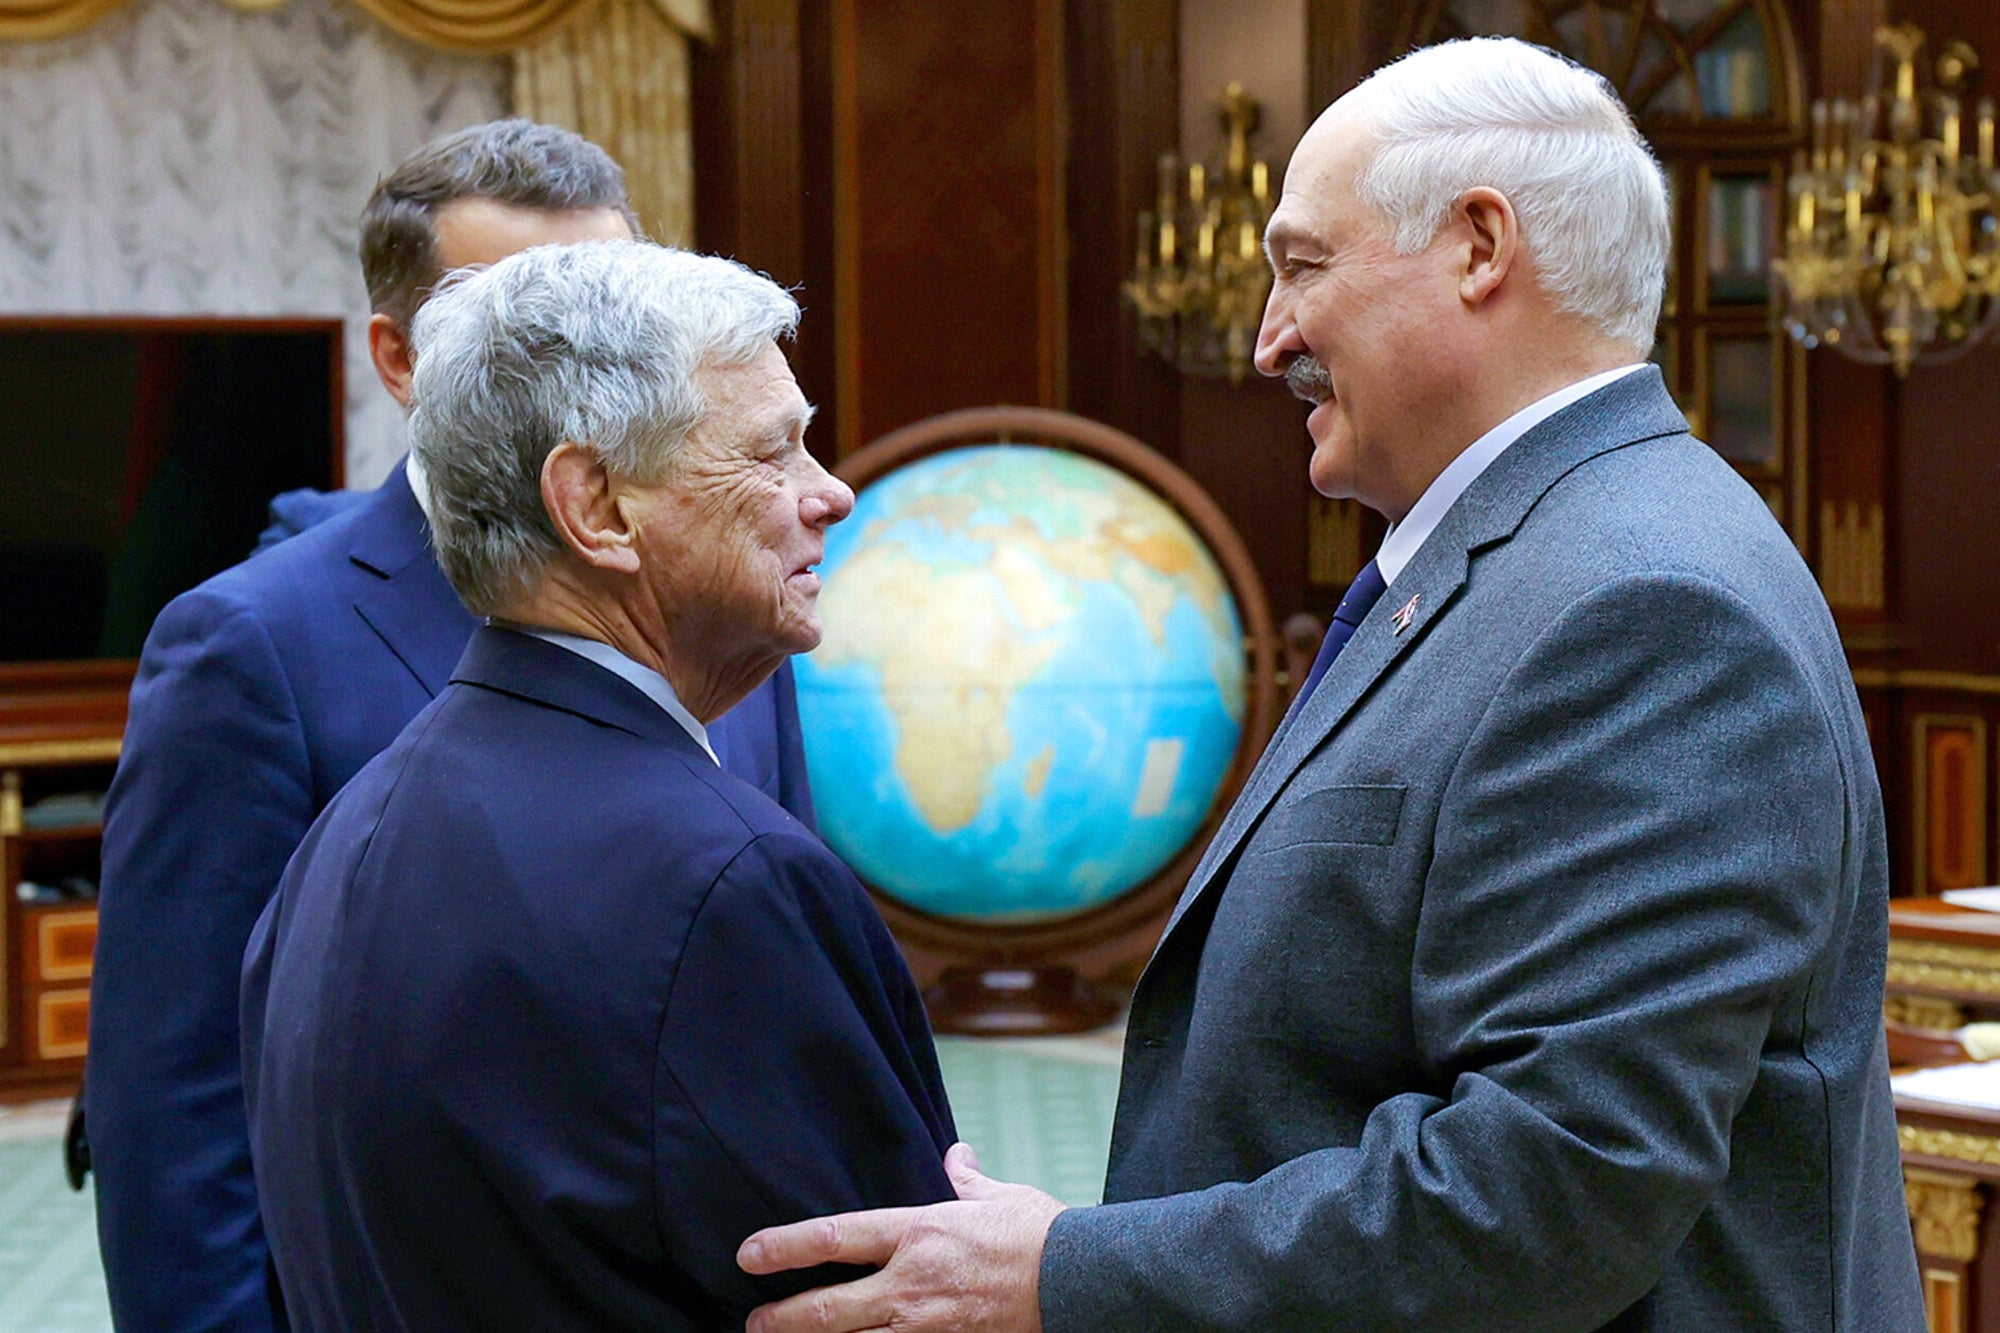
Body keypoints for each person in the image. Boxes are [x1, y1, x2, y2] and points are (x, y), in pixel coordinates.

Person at [734, 37, 1926, 1332]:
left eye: (1304, 267)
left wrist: (1065, 1273)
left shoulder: (1646, 610)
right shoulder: (1538, 557)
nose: (1267, 341)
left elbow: (1549, 1197)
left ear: (1480, 248)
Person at [87, 120, 818, 1333]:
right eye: (519, 308)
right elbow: (176, 1103)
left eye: (615, 298)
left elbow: (780, 985)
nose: (586, 347)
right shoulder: (251, 644)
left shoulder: (729, 609)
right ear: (398, 356)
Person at [240, 238, 955, 1330]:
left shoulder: (351, 826)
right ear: (597, 506)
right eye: (774, 455)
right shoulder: (727, 882)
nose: (833, 493)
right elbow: (903, 1306)